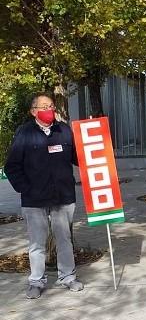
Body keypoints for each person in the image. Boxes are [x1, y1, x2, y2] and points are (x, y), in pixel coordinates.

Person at [5, 93, 84, 299]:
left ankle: (68, 276)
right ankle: (36, 281)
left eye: (51, 105)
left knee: (64, 239)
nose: (49, 110)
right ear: (33, 111)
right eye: (43, 106)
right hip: (34, 199)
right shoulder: (24, 133)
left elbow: (80, 158)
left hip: (63, 196)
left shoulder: (64, 131)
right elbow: (12, 166)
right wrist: (25, 188)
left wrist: (96, 145)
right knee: (36, 242)